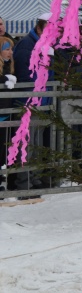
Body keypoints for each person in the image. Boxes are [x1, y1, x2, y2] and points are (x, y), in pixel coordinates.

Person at [1, 38, 17, 197]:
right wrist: (5, 80)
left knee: (2, 150)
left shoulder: (8, 67)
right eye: (7, 49)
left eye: (11, 49)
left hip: (5, 113)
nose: (10, 52)